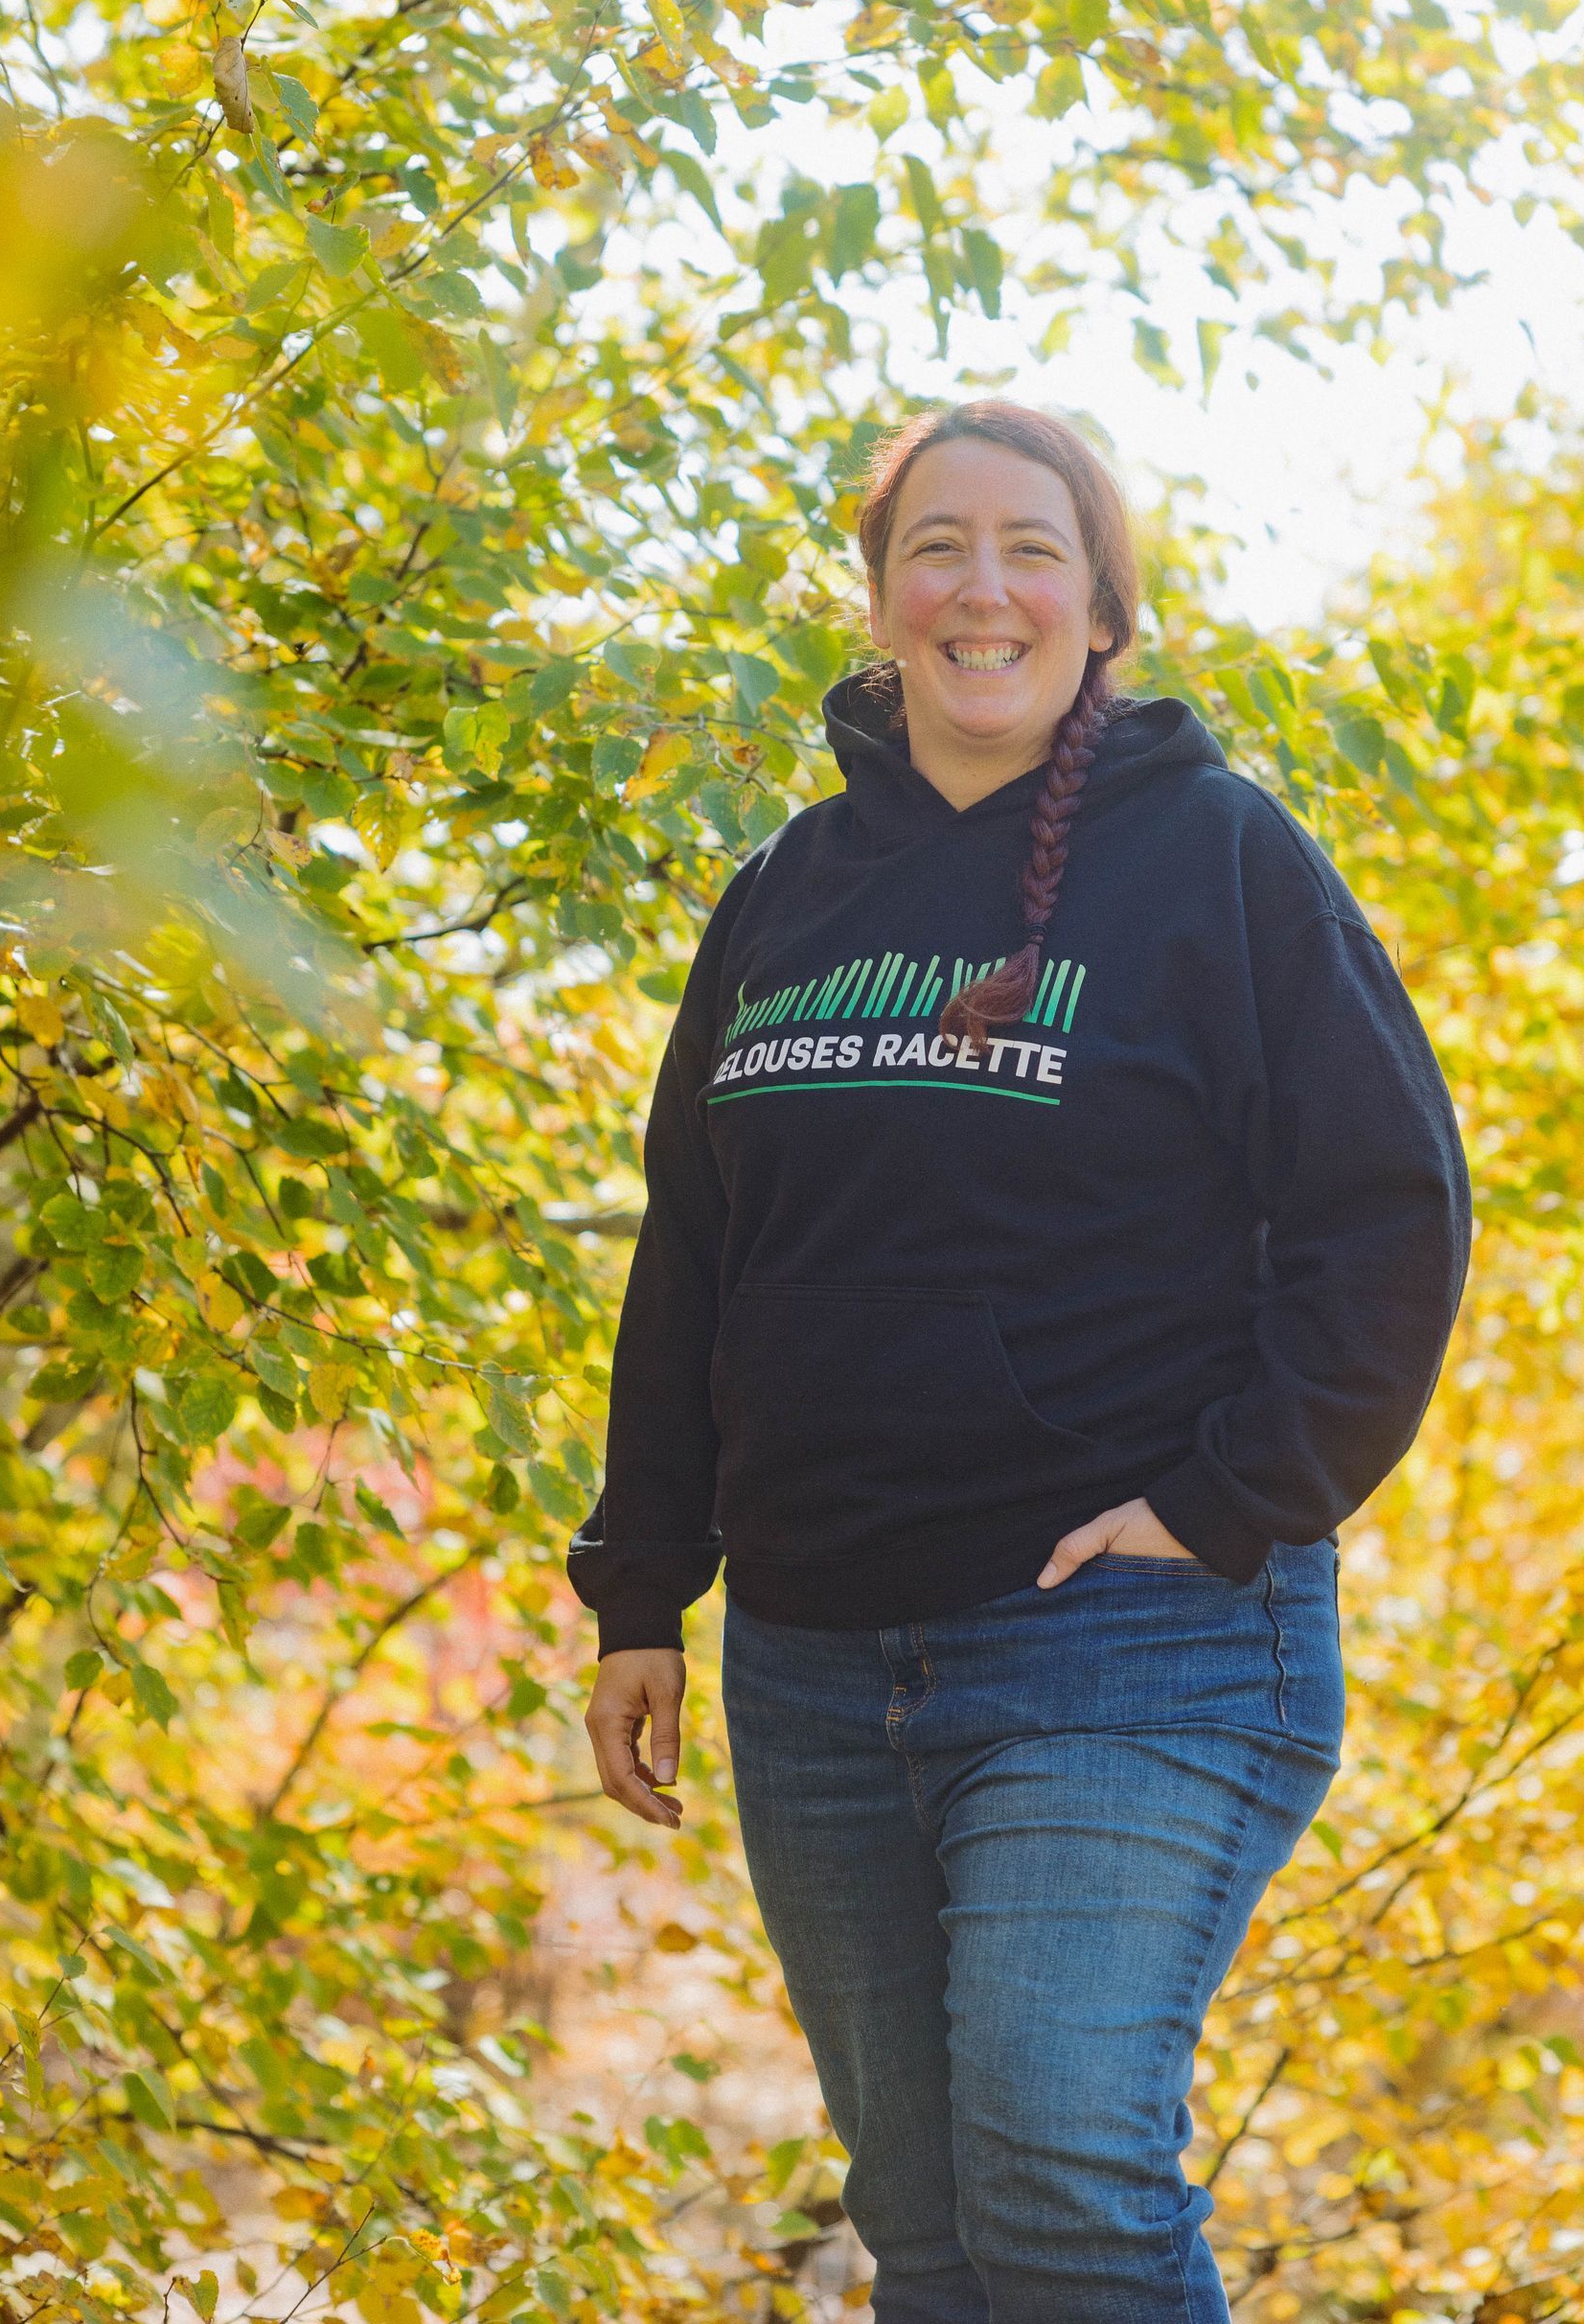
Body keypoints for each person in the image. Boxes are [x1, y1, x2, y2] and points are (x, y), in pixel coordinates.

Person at [569, 401, 1469, 2324]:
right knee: (932, 2218)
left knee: (1060, 2165)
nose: (986, 588)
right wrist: (641, 1584)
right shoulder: (784, 898)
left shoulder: (1222, 863)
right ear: (884, 600)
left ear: (1104, 604)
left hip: (1130, 1630)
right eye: (939, 547)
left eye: (1033, 547)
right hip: (813, 1651)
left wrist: (1229, 1499)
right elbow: (700, 1258)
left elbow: (1389, 1215)